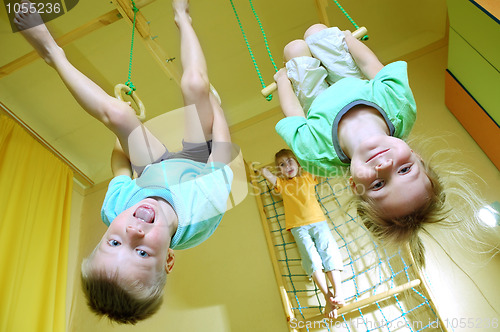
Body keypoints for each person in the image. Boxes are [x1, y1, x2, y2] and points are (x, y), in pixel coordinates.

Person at [15, 0, 235, 324]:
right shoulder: (202, 214)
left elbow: (120, 166)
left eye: (114, 241)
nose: (132, 230)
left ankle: (52, 54)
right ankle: (182, 16)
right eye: (142, 252)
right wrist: (213, 106)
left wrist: (124, 129)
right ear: (168, 260)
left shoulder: (115, 210)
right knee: (195, 86)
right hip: (200, 165)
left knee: (118, 114)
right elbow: (222, 151)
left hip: (152, 169)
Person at [272, 24, 446, 266]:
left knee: (295, 49)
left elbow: (294, 115)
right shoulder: (400, 110)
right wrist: (348, 40)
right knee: (316, 32)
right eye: (405, 169)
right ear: (416, 156)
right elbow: (370, 66)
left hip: (313, 97)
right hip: (348, 75)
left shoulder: (319, 159)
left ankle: (302, 55)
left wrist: (282, 81)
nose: (385, 165)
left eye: (377, 184)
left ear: (354, 185)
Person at [262, 149, 344, 319]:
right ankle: (328, 297)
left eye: (290, 161)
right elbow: (266, 174)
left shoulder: (308, 176)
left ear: (298, 163)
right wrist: (257, 169)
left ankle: (338, 293)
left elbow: (310, 158)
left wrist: (300, 155)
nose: (287, 166)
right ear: (280, 171)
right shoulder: (282, 184)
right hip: (298, 227)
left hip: (318, 222)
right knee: (311, 259)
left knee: (329, 253)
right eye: (282, 165)